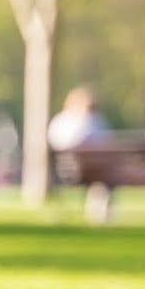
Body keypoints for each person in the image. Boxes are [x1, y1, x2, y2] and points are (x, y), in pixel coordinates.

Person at [48, 85, 112, 223]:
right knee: (105, 175)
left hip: (64, 170)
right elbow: (104, 143)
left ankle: (97, 210)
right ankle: (100, 212)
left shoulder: (59, 121)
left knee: (102, 173)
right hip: (86, 169)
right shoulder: (91, 121)